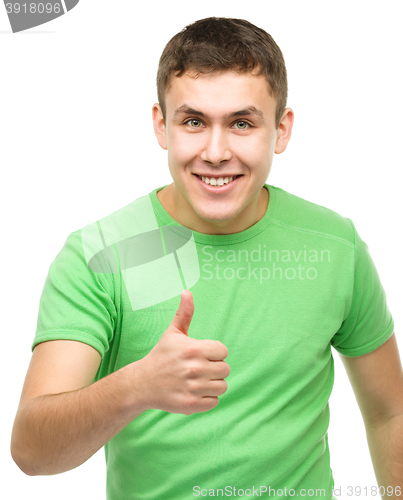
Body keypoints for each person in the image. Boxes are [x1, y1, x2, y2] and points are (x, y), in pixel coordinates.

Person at [10, 17, 402, 500]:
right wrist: (136, 387)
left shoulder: (333, 245)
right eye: (194, 122)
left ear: (281, 129)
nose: (216, 153)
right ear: (162, 125)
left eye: (242, 123)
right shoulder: (101, 256)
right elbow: (31, 451)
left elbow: (390, 413)